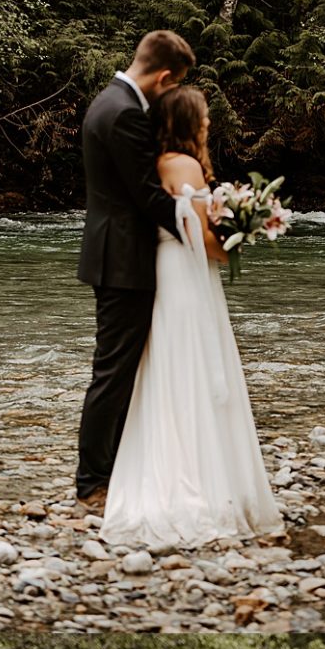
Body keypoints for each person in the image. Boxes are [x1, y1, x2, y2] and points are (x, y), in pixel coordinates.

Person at [98, 84, 281, 550]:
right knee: (194, 372)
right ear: (186, 122)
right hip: (186, 278)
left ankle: (155, 473)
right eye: (202, 117)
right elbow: (208, 243)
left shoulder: (153, 164)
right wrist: (246, 232)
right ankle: (198, 487)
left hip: (161, 277)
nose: (207, 124)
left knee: (166, 373)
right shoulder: (186, 165)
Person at [75, 30, 195, 513]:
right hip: (122, 260)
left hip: (116, 255)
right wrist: (208, 232)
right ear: (164, 76)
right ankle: (92, 483)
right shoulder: (125, 112)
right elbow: (147, 196)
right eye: (173, 86)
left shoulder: (108, 100)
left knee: (118, 369)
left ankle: (112, 471)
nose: (170, 97)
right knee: (113, 373)